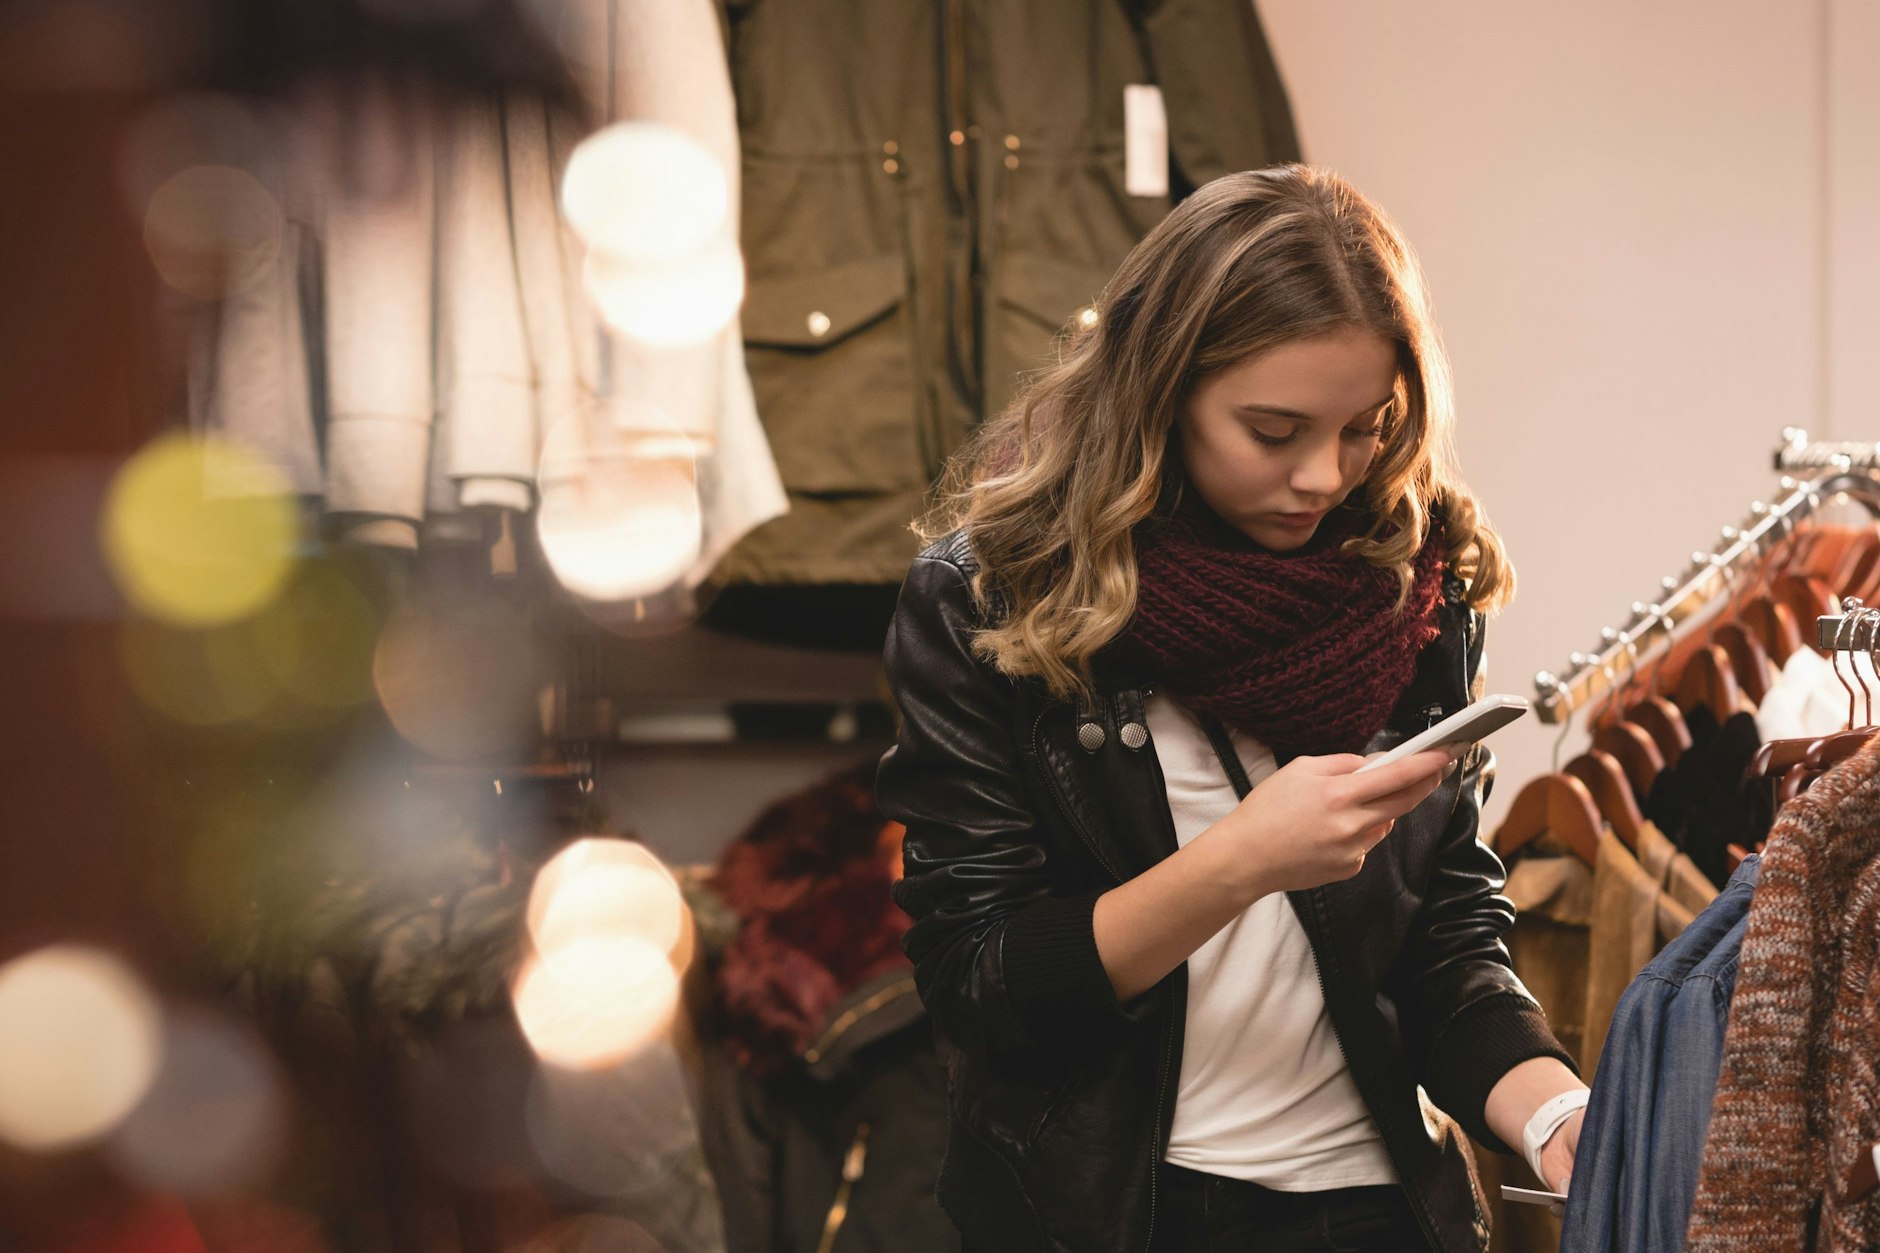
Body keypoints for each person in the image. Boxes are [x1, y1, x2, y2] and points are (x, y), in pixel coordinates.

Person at [875, 165, 1588, 1253]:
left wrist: (1551, 1113)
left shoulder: (1407, 578)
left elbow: (1445, 940)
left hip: (1377, 1208)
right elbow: (981, 982)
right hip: (1107, 1213)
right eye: (1272, 429)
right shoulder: (989, 597)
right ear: (1159, 390)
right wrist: (1243, 857)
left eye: (1365, 428)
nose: (1322, 476)